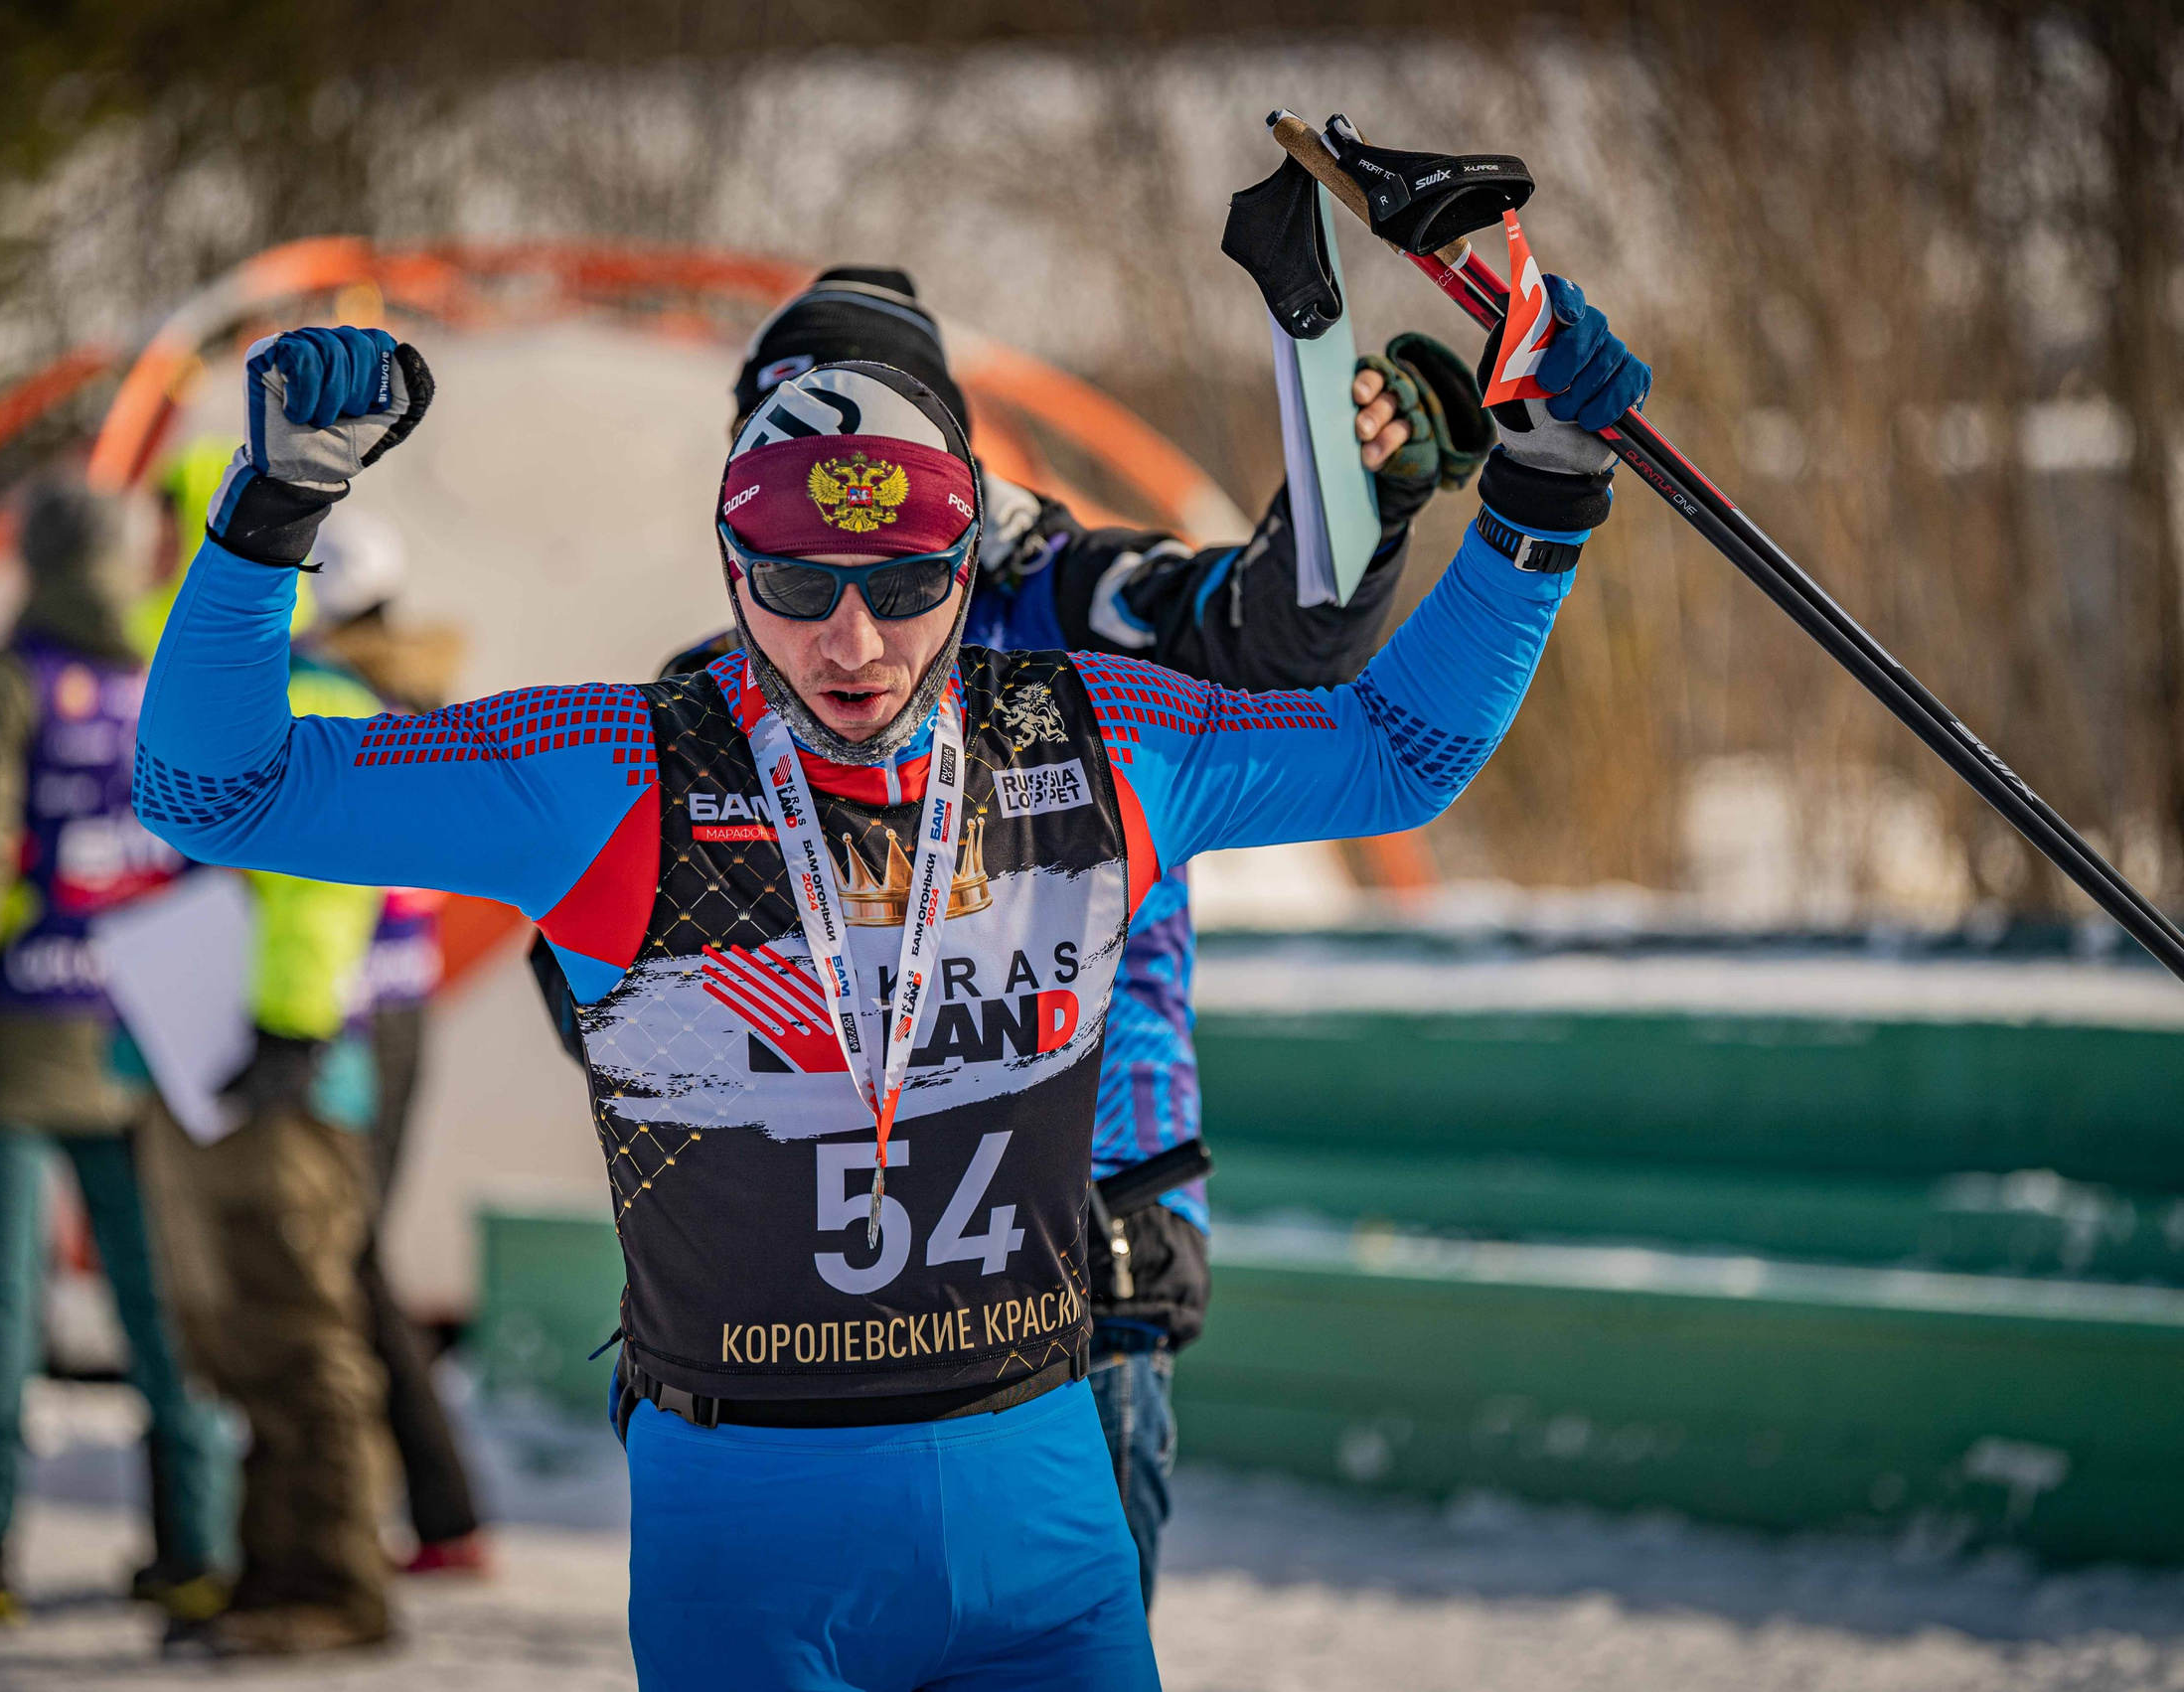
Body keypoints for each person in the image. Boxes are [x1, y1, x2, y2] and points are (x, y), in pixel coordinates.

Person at [135, 281, 1643, 1687]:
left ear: (966, 555)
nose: (853, 641)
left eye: (905, 582)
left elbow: (1399, 750)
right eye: (797, 582)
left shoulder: (1094, 734)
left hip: (1041, 1510)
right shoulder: (612, 769)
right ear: (735, 566)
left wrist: (1545, 492)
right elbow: (212, 789)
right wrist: (274, 511)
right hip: (756, 1536)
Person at [616, 266, 1489, 1605]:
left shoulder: (1063, 592)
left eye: (873, 447)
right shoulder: (705, 689)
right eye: (791, 455)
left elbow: (1272, 629)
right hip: (806, 1292)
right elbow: (608, 995)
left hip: (1085, 1237)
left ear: (946, 453)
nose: (838, 495)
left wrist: (1357, 489)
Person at [0, 480, 234, 1626]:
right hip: (142, 1044)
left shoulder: (5, 684)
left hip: (7, 1053)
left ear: (32, 556)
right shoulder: (163, 683)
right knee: (163, 1309)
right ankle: (194, 1546)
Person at [131, 460, 396, 1657]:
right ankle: (272, 1569)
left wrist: (288, 1028)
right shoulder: (216, 692)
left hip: (276, 1073)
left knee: (295, 1330)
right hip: (208, 1062)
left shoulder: (322, 697)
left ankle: (334, 1579)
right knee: (237, 1331)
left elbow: (330, 883)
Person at [306, 512, 492, 1577]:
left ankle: (436, 1504)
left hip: (346, 1011)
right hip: (399, 1005)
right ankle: (425, 1505)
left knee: (345, 1254)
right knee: (348, 1248)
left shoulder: (340, 699)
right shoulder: (427, 694)